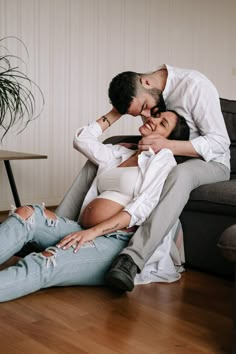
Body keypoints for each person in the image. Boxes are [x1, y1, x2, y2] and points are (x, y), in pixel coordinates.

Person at [0, 109, 189, 302]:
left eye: (163, 124)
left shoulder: (163, 161)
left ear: (169, 141)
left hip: (117, 241)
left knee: (47, 260)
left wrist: (93, 232)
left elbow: (141, 208)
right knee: (28, 214)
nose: (154, 120)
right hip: (83, 229)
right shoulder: (120, 153)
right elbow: (82, 140)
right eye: (156, 115)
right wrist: (118, 111)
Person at [105, 64, 231, 291]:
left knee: (180, 174)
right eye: (140, 114)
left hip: (210, 162)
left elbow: (220, 142)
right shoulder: (154, 95)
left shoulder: (194, 86)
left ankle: (132, 259)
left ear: (145, 82)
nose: (145, 116)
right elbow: (157, 133)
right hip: (168, 156)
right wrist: (136, 145)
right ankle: (58, 223)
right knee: (111, 150)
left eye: (144, 108)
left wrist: (167, 145)